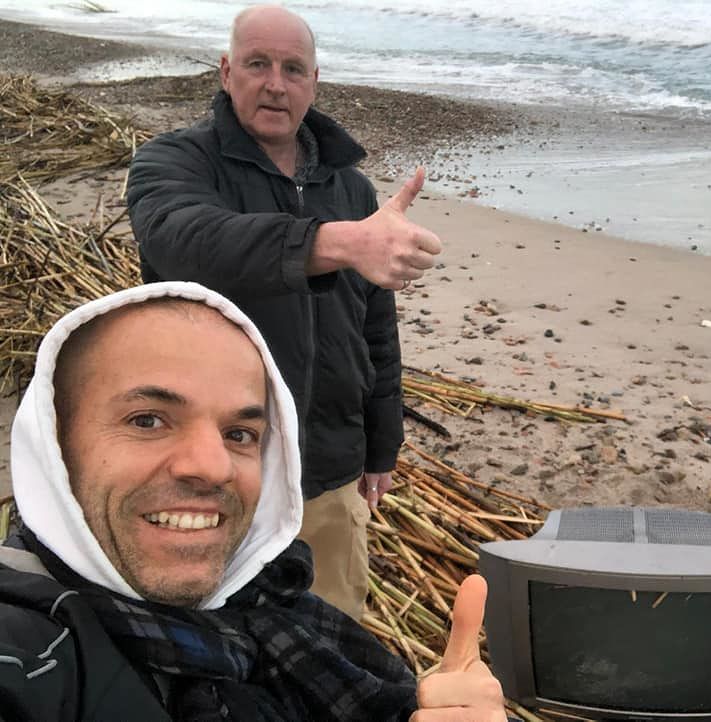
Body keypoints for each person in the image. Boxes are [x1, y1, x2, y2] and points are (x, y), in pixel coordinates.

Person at [0, 282, 506, 721]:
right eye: (147, 420)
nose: (213, 466)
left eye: (240, 433)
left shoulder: (280, 610)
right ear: (53, 449)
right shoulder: (30, 655)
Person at [126, 4, 443, 620]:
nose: (276, 82)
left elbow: (374, 330)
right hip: (211, 471)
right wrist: (336, 243)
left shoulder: (351, 189)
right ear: (226, 71)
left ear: (314, 82)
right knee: (216, 643)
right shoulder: (175, 162)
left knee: (332, 639)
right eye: (258, 64)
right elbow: (185, 239)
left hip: (329, 470)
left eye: (293, 68)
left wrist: (382, 445)